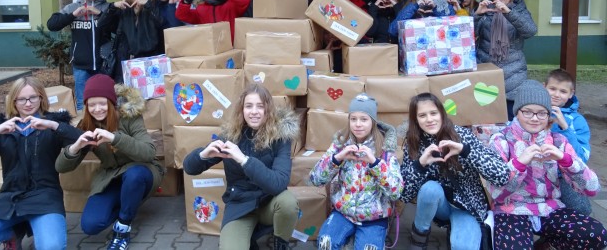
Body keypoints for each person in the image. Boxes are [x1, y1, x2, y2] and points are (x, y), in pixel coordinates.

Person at [488, 80, 606, 250]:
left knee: (596, 234)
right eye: (528, 112)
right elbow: (497, 193)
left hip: (549, 208)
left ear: (548, 114)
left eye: (542, 113)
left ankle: (546, 245)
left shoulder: (558, 141)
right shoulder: (501, 140)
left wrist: (566, 161)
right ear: (517, 112)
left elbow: (592, 189)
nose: (535, 118)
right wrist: (519, 163)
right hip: (511, 210)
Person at [0, 77, 81, 249]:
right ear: (14, 101)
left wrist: (52, 125)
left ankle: (20, 230)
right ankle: (13, 233)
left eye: (33, 97)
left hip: (45, 198)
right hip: (8, 199)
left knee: (51, 247)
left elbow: (84, 141)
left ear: (41, 98)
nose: (28, 104)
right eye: (21, 99)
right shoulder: (4, 129)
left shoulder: (52, 125)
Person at [183, 84, 300, 250]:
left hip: (269, 202)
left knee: (288, 203)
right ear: (242, 109)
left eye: (260, 106)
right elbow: (189, 168)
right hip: (240, 206)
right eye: (249, 106)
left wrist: (244, 160)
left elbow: (279, 183)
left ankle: (281, 243)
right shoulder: (231, 136)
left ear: (268, 110)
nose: (254, 111)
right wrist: (202, 155)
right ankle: (246, 236)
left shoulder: (281, 138)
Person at [56, 74, 164, 250]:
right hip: (111, 176)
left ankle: (123, 228)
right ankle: (127, 204)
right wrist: (76, 146)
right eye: (91, 104)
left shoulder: (130, 117)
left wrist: (114, 138)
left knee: (135, 176)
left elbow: (149, 152)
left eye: (102, 103)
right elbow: (60, 167)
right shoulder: (86, 125)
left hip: (140, 170)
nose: (97, 109)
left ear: (111, 102)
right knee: (91, 225)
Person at [401, 93, 509, 250]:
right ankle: (419, 238)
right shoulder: (414, 142)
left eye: (433, 113)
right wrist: (420, 164)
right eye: (422, 115)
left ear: (442, 114)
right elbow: (404, 195)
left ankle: (456, 232)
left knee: (463, 246)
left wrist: (465, 150)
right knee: (430, 189)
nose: (429, 119)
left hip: (466, 205)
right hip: (437, 205)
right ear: (415, 119)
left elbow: (502, 175)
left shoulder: (461, 135)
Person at [309, 94, 403, 250]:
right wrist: (337, 158)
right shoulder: (340, 145)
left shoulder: (385, 151)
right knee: (325, 243)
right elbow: (315, 179)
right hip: (343, 213)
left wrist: (375, 163)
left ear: (373, 121)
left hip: (374, 218)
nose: (358, 124)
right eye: (353, 119)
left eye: (364, 119)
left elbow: (396, 192)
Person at [474, 0, 537, 120]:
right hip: (486, 68)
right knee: (486, 115)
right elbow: (469, 35)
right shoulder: (486, 9)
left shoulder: (519, 11)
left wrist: (508, 12)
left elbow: (530, 31)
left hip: (513, 72)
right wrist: (477, 15)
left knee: (510, 116)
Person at [47, 0, 110, 111]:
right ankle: (85, 130)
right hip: (81, 65)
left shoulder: (106, 7)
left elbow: (117, 26)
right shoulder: (72, 7)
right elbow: (52, 24)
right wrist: (73, 15)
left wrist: (99, 13)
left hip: (104, 63)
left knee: (105, 100)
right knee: (82, 102)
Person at [544, 68, 592, 215]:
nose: (557, 95)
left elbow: (581, 157)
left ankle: (559, 234)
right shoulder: (530, 110)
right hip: (535, 172)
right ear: (544, 87)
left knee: (582, 209)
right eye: (552, 89)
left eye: (563, 91)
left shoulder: (578, 121)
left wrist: (564, 126)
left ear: (571, 93)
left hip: (563, 176)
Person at [97, 0, 165, 82]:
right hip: (126, 62)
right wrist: (113, 6)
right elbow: (101, 24)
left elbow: (162, 24)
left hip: (150, 63)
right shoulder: (123, 12)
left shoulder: (151, 8)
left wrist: (147, 3)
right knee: (127, 96)